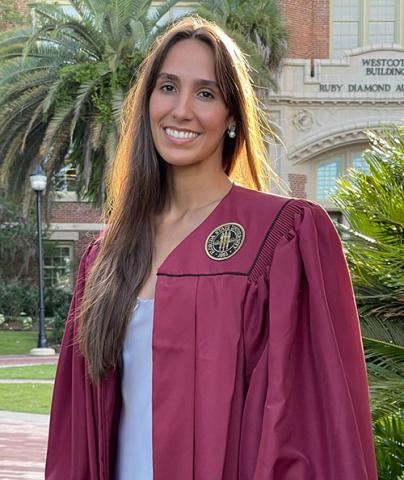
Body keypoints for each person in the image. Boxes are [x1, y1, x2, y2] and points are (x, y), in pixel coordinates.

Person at [45, 16, 377, 480]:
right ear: (146, 104)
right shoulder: (108, 255)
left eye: (206, 93)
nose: (182, 110)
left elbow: (305, 421)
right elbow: (76, 427)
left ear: (233, 117)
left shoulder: (282, 237)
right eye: (167, 87)